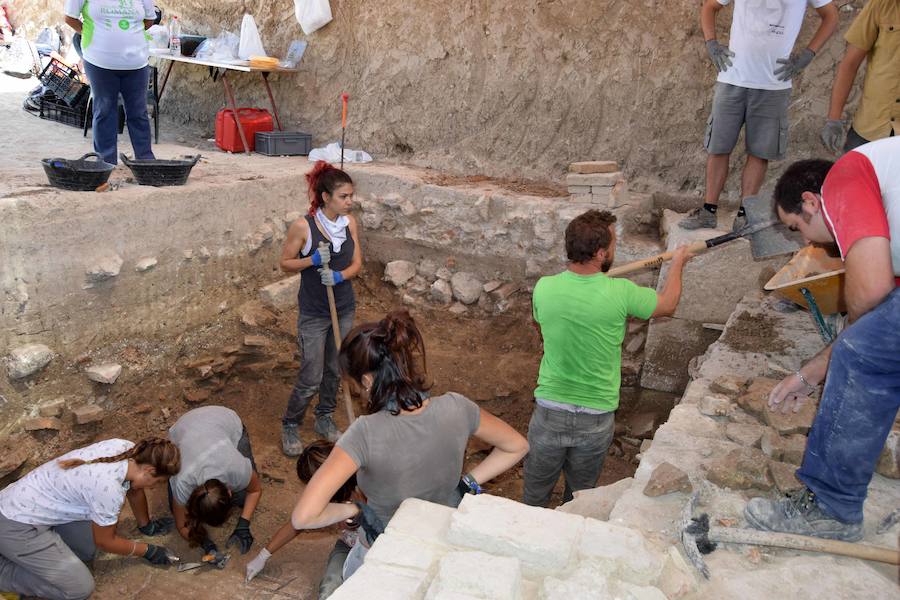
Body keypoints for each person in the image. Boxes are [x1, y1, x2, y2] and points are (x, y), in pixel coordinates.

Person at [244, 310, 529, 583]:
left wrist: (354, 510)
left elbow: (303, 516)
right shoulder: (457, 407)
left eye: (355, 383)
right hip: (443, 538)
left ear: (367, 380)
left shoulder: (364, 434)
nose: (357, 390)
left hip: (389, 551)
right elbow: (517, 445)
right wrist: (466, 483)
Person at [745, 137, 900, 541]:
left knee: (862, 356)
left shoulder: (847, 175)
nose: (808, 243)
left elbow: (870, 296)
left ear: (813, 201)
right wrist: (810, 374)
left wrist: (831, 362)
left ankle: (832, 508)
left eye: (797, 228)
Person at [523, 209, 693, 507]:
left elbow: (542, 326)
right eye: (613, 245)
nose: (615, 250)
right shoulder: (621, 292)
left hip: (550, 411)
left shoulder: (544, 288)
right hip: (596, 415)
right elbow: (667, 305)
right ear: (601, 254)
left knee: (535, 493)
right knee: (580, 496)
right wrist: (678, 263)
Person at [680, 0, 838, 231]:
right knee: (718, 147)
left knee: (759, 152)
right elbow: (709, 6)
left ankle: (745, 215)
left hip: (774, 84)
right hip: (733, 77)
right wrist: (712, 44)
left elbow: (831, 15)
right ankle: (708, 211)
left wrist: (807, 55)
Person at [0, 438, 180, 600]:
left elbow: (134, 488)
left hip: (30, 504)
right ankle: (5, 572)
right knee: (79, 588)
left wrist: (146, 525)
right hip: (15, 524)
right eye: (157, 482)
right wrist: (148, 550)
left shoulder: (128, 450)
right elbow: (105, 541)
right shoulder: (109, 490)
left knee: (86, 548)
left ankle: (34, 554)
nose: (153, 487)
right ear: (150, 470)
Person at [279, 161, 363, 455]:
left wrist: (340, 275)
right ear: (326, 197)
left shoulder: (349, 223)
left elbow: (357, 263)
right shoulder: (304, 226)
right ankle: (291, 423)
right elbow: (285, 263)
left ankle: (324, 418)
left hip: (343, 308)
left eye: (351, 195)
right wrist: (312, 261)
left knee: (334, 368)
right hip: (315, 312)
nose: (350, 201)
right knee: (311, 373)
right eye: (344, 196)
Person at [63, 0, 156, 165]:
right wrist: (92, 34)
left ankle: (146, 161)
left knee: (139, 113)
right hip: (99, 61)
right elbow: (70, 18)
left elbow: (149, 20)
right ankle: (105, 162)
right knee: (104, 111)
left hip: (137, 63)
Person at [167, 405, 262, 558]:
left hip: (225, 419)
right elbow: (181, 525)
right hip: (183, 426)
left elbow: (255, 489)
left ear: (229, 491)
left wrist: (244, 524)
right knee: (176, 508)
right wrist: (204, 543)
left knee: (244, 497)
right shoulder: (182, 482)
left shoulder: (236, 468)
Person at [820, 0, 899, 154]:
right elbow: (849, 64)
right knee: (852, 177)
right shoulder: (881, 5)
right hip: (872, 127)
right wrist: (833, 119)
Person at [295, 440, 367, 600]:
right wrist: (265, 554)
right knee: (328, 590)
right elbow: (296, 523)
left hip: (373, 546)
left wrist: (359, 515)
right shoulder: (327, 497)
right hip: (348, 545)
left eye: (313, 484)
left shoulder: (367, 482)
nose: (313, 490)